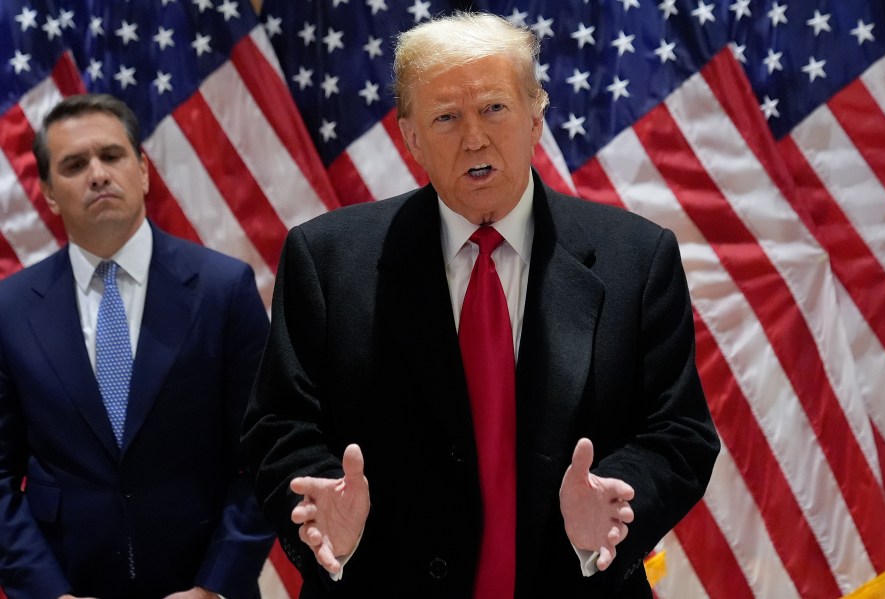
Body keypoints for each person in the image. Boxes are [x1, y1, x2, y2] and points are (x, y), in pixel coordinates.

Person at [242, 11, 719, 599]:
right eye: (446, 117)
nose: (474, 138)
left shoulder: (638, 258)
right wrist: (328, 518)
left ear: (536, 115)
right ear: (410, 136)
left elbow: (680, 431)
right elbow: (277, 425)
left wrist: (618, 502)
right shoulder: (327, 258)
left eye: (494, 108)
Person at [0, 93, 274, 598]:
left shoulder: (223, 289)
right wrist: (45, 591)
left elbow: (263, 456)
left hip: (199, 585)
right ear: (49, 194)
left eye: (112, 155)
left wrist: (215, 586)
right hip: (68, 584)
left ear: (143, 170)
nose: (98, 174)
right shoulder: (10, 309)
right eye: (75, 164)